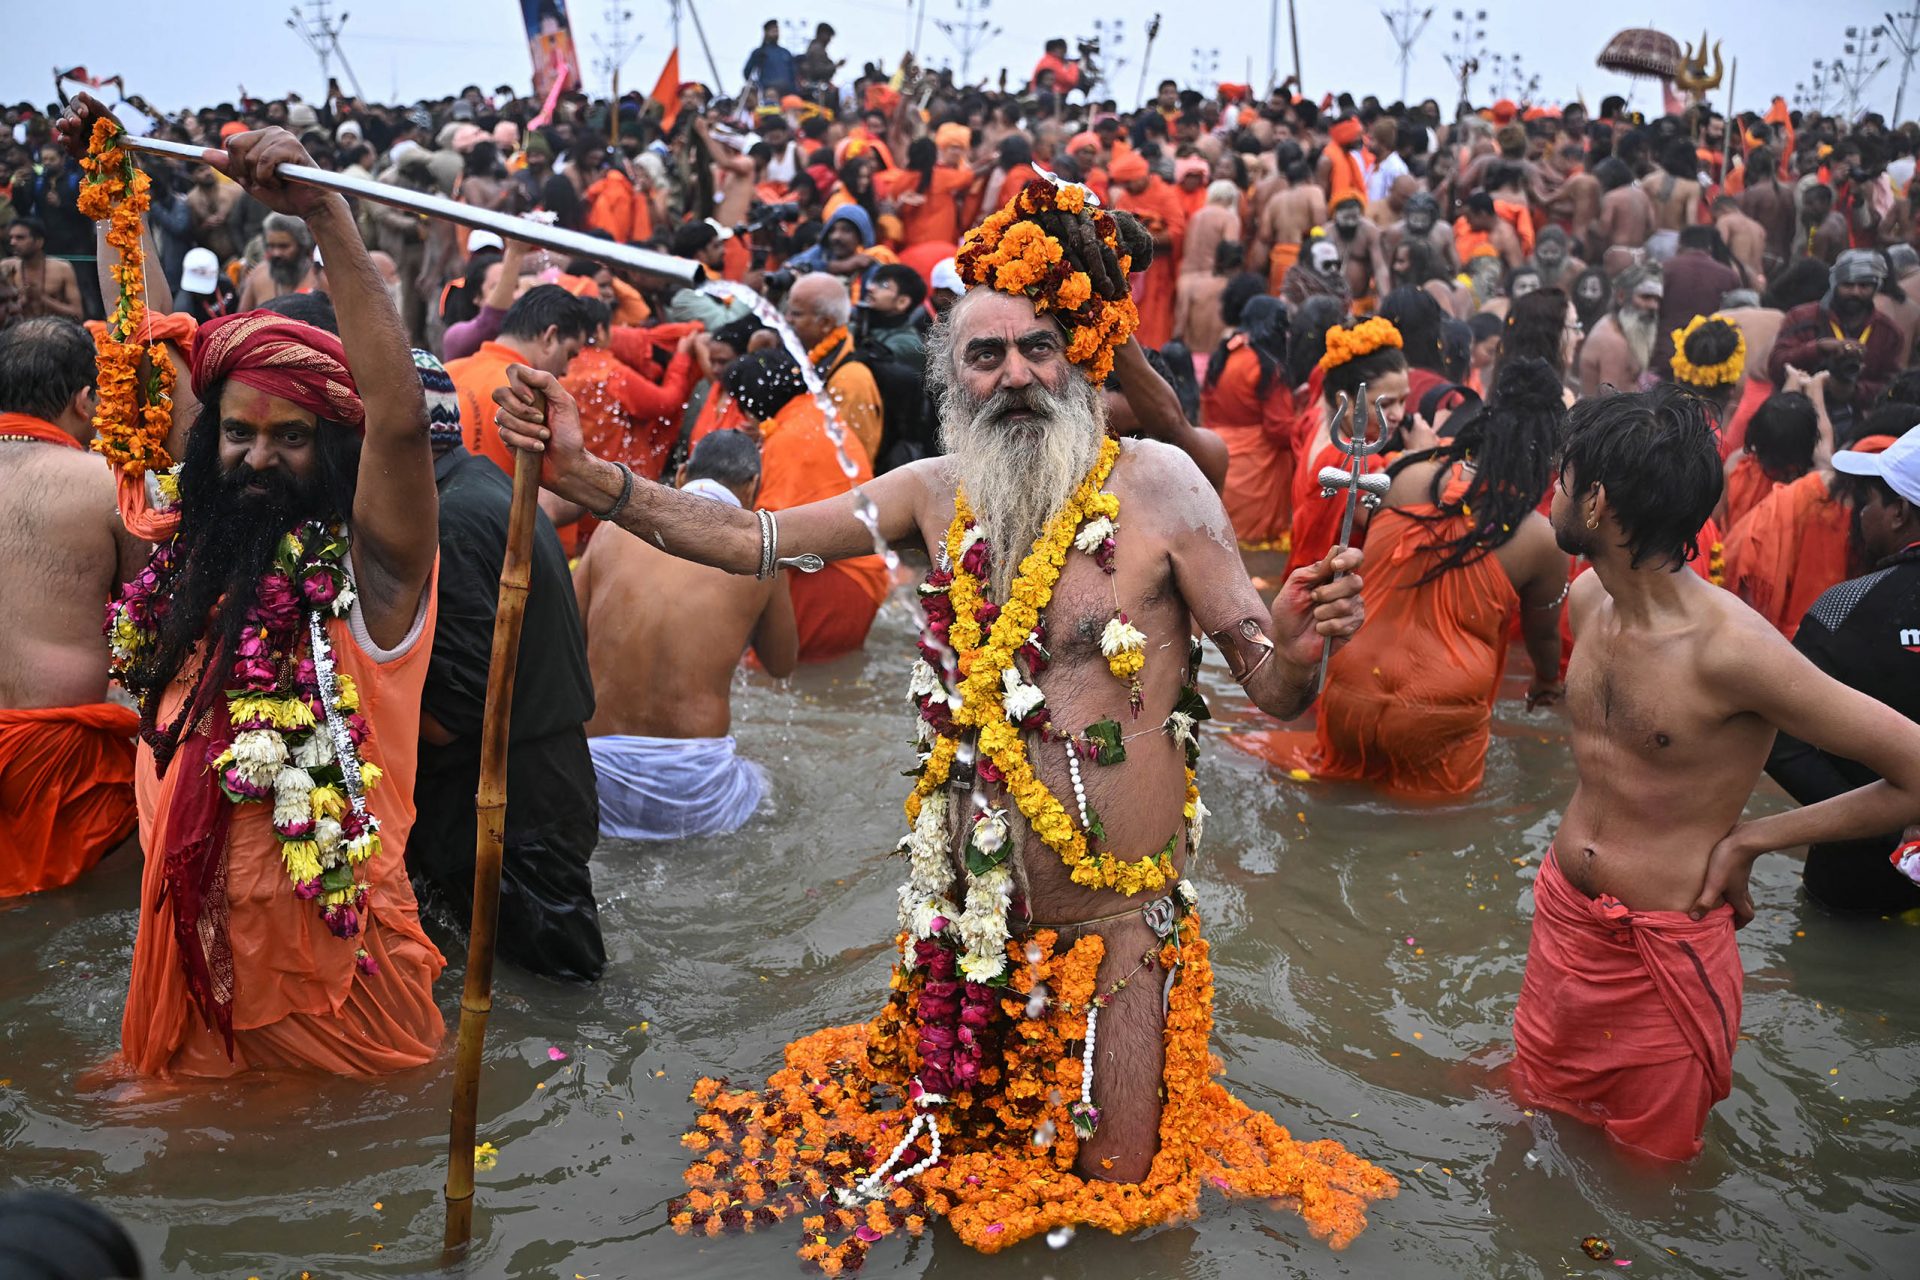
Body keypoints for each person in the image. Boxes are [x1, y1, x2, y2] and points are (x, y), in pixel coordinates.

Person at [492, 182, 1394, 1268]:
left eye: (1038, 349)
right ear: (953, 380)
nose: (1014, 374)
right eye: (985, 356)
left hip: (1115, 934)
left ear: (1078, 359)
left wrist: (1298, 639)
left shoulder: (1163, 491)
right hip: (963, 930)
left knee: (1123, 1196)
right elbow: (754, 540)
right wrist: (599, 480)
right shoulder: (932, 494)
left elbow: (1277, 685)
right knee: (947, 1188)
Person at [64, 108, 448, 1078]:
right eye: (238, 433)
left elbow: (399, 424)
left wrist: (327, 215)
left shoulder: (371, 582)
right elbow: (149, 357)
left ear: (330, 452)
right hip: (190, 976)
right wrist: (117, 194)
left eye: (291, 437)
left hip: (341, 1006)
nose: (258, 456)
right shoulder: (196, 555)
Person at [1512, 387, 1920, 1162]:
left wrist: (1753, 842)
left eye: (1564, 478)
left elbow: (1915, 772)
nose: (1553, 493)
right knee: (1534, 1124)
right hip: (1563, 928)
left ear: (1596, 502)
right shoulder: (1590, 603)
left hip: (1663, 963)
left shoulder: (1734, 651)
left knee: (1648, 1181)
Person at [1242, 358, 1569, 796]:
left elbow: (1349, 536)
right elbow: (1544, 640)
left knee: (1331, 800)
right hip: (1442, 717)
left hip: (1349, 691)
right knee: (1427, 845)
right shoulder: (1540, 539)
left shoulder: (1404, 475)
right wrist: (1546, 683)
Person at [401, 350, 604, 982]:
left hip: (514, 813)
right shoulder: (479, 486)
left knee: (560, 990)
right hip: (537, 789)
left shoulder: (451, 519)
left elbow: (450, 717)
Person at [577, 430, 796, 840]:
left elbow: (566, 634)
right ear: (752, 489)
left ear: (680, 476)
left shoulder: (612, 530)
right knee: (769, 787)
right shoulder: (763, 552)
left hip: (595, 773)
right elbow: (782, 665)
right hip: (696, 789)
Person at [0, 318, 146, 898]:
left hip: (60, 757)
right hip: (62, 765)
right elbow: (150, 624)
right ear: (86, 400)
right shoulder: (106, 485)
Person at [1767, 427, 1920, 914]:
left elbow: (1776, 734)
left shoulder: (1847, 606)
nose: (1861, 512)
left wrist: (1870, 820)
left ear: (1899, 513)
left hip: (1858, 886)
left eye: (1871, 499)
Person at [719, 347, 888, 662]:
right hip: (860, 581)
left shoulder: (790, 438)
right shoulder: (815, 414)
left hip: (834, 586)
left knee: (767, 677)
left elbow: (766, 539)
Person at [1287, 317, 1414, 574]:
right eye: (1385, 404)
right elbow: (1403, 533)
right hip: (1328, 598)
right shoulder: (1349, 464)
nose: (1399, 414)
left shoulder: (1320, 422)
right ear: (1345, 402)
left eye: (1403, 401)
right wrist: (1418, 457)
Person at [447, 283, 594, 477]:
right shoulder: (530, 398)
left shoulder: (445, 372)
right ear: (550, 337)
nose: (566, 370)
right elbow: (554, 501)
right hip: (501, 507)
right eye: (569, 354)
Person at [563, 299, 698, 484]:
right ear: (601, 330)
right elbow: (666, 403)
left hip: (571, 476)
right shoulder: (610, 373)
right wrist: (682, 359)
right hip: (614, 482)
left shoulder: (560, 364)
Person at [1200, 294, 1294, 546]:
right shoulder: (1266, 366)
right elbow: (1279, 430)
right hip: (1257, 467)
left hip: (1216, 457)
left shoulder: (1224, 354)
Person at [1767, 250, 1904, 416]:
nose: (1856, 292)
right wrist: (1818, 349)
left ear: (1876, 288)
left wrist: (1853, 390)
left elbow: (1893, 386)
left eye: (1864, 286)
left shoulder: (1887, 331)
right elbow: (1776, 366)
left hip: (1858, 417)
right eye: (1847, 285)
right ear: (1835, 284)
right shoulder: (1802, 317)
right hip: (1799, 413)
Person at [784, 270, 884, 463]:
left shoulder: (851, 380)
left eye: (796, 314)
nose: (787, 320)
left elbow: (854, 460)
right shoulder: (808, 357)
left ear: (825, 323)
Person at [1723, 382, 1826, 531]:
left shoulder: (1736, 465)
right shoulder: (1815, 486)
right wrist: (1816, 387)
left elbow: (1776, 421)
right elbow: (1824, 439)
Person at [1110, 150, 1186, 348]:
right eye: (1124, 184)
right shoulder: (1125, 198)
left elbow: (1177, 233)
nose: (1127, 187)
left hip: (1158, 271)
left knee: (1156, 321)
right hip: (1131, 272)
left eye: (1130, 182)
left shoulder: (1165, 194)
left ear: (1142, 175)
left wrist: (1143, 239)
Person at [1577, 266, 1662, 398]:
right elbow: (1609, 403)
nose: (1653, 306)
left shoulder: (1622, 330)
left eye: (1657, 299)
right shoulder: (1613, 341)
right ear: (1621, 296)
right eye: (1646, 297)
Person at [2, 217, 83, 319]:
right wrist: (22, 300)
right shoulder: (6, 266)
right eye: (11, 238)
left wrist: (43, 299)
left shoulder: (62, 269)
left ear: (39, 242)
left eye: (20, 238)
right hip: (17, 330)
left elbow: (78, 314)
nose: (12, 242)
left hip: (55, 330)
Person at [236, 211, 318, 310]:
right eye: (271, 246)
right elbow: (242, 319)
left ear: (302, 246)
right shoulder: (259, 274)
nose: (276, 253)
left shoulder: (318, 278)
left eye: (284, 246)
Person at [743, 19, 798, 95]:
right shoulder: (760, 52)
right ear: (766, 33)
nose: (776, 33)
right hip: (769, 93)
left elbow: (793, 74)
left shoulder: (785, 52)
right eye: (773, 31)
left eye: (777, 31)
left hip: (787, 93)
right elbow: (747, 72)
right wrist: (758, 85)